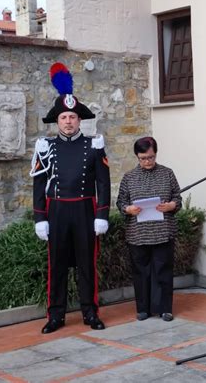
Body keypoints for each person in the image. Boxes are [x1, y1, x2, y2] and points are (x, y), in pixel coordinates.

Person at [30, 63, 111, 334]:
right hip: (57, 212)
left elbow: (103, 182)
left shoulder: (93, 145)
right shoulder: (46, 147)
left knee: (87, 264)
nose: (68, 121)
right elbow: (39, 185)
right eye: (64, 117)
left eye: (72, 117)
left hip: (85, 211)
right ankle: (56, 315)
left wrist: (101, 215)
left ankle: (90, 312)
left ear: (79, 120)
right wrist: (40, 218)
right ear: (58, 120)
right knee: (57, 266)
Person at [116, 136, 182, 322]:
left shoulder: (167, 173)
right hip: (138, 234)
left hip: (163, 231)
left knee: (163, 271)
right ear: (137, 157)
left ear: (156, 154)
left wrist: (171, 206)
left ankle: (165, 309)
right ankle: (143, 308)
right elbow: (121, 202)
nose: (147, 161)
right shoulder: (129, 177)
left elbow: (178, 198)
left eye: (151, 157)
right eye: (143, 158)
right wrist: (128, 209)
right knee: (140, 272)